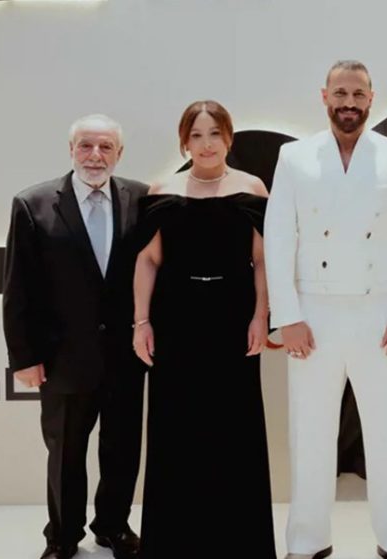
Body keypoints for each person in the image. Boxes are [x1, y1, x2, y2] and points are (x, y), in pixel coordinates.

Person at [264, 60, 387, 559]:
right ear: (325, 97)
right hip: (312, 315)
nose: (349, 103)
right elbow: (279, 239)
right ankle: (307, 540)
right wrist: (287, 316)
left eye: (358, 94)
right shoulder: (294, 157)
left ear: (371, 99)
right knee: (310, 434)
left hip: (382, 313)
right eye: (340, 93)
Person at [131, 100, 275, 558]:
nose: (206, 144)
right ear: (184, 142)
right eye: (196, 135)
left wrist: (260, 316)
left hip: (233, 320)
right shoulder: (163, 190)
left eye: (215, 134)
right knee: (176, 431)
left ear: (229, 138)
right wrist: (141, 322)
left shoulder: (252, 188)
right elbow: (148, 260)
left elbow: (262, 260)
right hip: (176, 321)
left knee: (235, 430)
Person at [2, 114, 146, 559]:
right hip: (62, 358)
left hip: (126, 356)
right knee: (65, 453)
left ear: (119, 153)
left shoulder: (143, 199)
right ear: (71, 150)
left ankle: (113, 527)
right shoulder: (33, 204)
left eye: (105, 147)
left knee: (122, 450)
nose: (95, 156)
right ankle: (62, 537)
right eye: (86, 146)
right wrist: (24, 356)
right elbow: (17, 288)